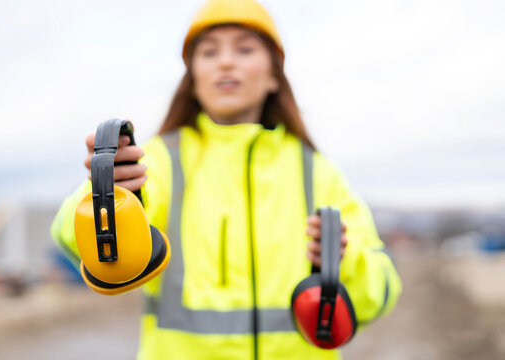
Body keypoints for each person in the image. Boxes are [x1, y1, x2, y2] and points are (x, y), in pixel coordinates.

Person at [51, 0, 402, 359]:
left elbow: (382, 293)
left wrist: (343, 262)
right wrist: (108, 196)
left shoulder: (317, 171)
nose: (226, 61)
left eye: (245, 48)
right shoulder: (154, 163)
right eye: (209, 52)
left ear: (273, 76)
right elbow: (68, 234)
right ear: (194, 79)